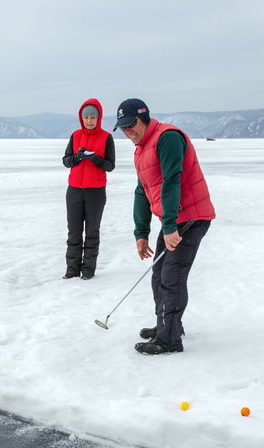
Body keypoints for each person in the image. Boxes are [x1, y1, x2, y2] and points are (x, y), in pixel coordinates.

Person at [113, 98, 215, 355]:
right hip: (174, 219)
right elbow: (142, 192)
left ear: (144, 117)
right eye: (123, 128)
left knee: (172, 278)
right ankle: (167, 326)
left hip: (191, 218)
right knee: (159, 275)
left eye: (131, 125)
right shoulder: (142, 149)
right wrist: (141, 234)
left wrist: (169, 227)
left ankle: (169, 339)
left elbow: (172, 182)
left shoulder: (167, 138)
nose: (128, 132)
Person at [61, 98, 115, 280]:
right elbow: (66, 160)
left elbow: (110, 165)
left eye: (93, 117)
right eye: (86, 117)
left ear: (98, 118)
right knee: (74, 232)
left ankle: (88, 271)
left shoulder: (106, 137)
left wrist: (96, 159)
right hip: (74, 191)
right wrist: (78, 157)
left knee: (92, 232)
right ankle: (72, 270)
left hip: (96, 192)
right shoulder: (75, 136)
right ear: (81, 118)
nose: (89, 120)